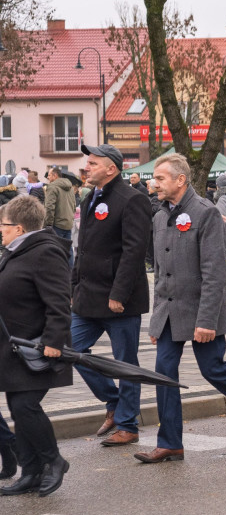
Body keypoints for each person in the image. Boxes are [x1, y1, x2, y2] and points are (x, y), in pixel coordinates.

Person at [135, 153, 226, 463]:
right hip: (169, 311)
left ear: (180, 180)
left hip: (202, 311)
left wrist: (207, 320)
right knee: (164, 373)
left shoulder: (206, 213)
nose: (153, 183)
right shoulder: (158, 216)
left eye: (160, 179)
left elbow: (215, 272)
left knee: (212, 369)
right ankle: (170, 442)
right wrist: (157, 320)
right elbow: (160, 272)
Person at [72, 144, 151, 447]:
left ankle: (128, 425)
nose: (87, 167)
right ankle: (114, 401)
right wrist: (73, 286)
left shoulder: (132, 199)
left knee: (125, 363)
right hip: (88, 295)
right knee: (70, 348)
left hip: (120, 300)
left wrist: (119, 293)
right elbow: (83, 249)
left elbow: (134, 252)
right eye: (87, 162)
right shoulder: (90, 196)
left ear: (111, 168)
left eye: (92, 163)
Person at [0, 196, 73, 496]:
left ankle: (53, 460)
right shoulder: (15, 251)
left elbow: (59, 301)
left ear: (18, 227)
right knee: (18, 408)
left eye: (3, 224)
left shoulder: (44, 252)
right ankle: (30, 472)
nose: (0, 229)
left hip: (37, 348)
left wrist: (54, 341)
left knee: (24, 406)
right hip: (14, 348)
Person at [43, 167, 76, 269]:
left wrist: (48, 224)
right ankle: (71, 275)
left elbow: (49, 207)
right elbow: (74, 205)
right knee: (68, 250)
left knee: (54, 251)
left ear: (55, 175)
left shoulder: (52, 187)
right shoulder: (70, 187)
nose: (48, 177)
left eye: (49, 175)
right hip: (68, 223)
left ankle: (56, 274)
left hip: (56, 224)